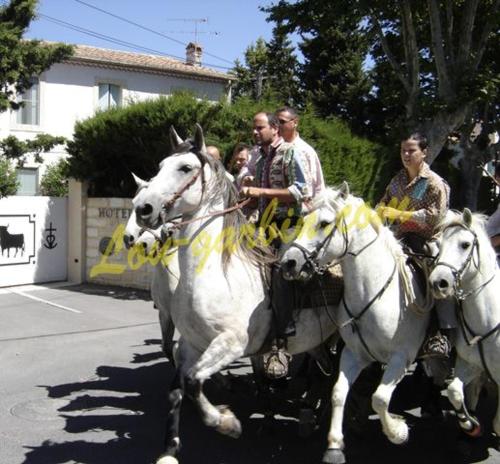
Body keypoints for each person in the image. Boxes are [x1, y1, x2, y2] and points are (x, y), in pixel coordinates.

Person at [240, 111, 325, 378]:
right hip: (265, 226)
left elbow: (302, 191)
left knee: (280, 272)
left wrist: (260, 192)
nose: (255, 133)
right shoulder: (263, 158)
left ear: (275, 129)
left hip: (292, 226)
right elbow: (260, 197)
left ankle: (280, 342)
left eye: (259, 128)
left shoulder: (290, 153)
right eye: (253, 129)